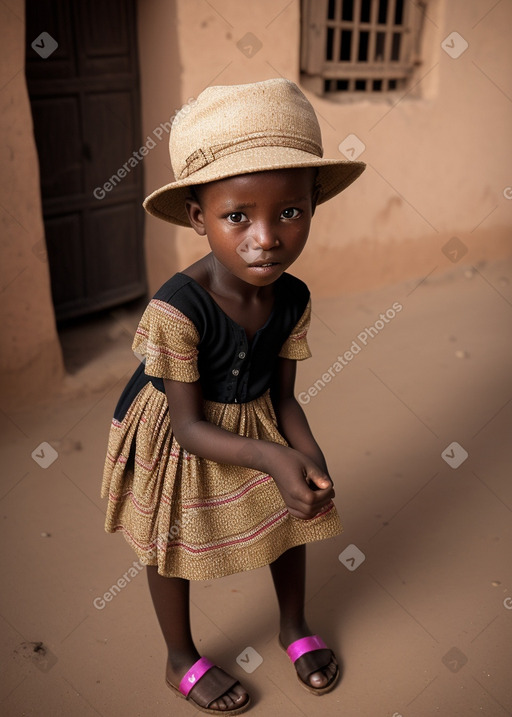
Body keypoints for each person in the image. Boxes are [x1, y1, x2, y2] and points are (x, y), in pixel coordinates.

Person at [101, 78, 365, 714]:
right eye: (237, 216)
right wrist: (277, 459)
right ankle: (179, 657)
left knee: (290, 515)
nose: (267, 237)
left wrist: (309, 457)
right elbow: (190, 428)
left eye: (290, 212)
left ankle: (294, 625)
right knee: (170, 537)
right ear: (198, 218)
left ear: (312, 207)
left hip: (254, 415)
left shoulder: (292, 297)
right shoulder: (176, 310)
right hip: (177, 427)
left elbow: (283, 398)